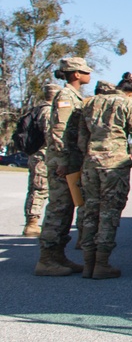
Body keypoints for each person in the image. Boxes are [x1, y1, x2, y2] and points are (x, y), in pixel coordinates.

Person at [77, 73, 132, 279]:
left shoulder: (90, 102)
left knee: (91, 210)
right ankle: (102, 263)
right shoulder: (127, 104)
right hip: (114, 166)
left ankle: (88, 263)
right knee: (109, 213)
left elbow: (81, 138)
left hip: (90, 164)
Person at [34, 56, 92, 276]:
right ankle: (46, 259)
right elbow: (59, 131)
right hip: (64, 163)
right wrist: (63, 162)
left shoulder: (75, 96)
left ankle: (58, 256)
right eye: (85, 71)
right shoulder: (66, 96)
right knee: (59, 208)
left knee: (67, 208)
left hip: (71, 161)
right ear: (76, 74)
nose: (89, 74)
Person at [21, 83, 61, 237]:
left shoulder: (36, 109)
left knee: (35, 187)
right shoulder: (47, 111)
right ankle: (32, 223)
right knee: (40, 188)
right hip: (43, 155)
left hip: (36, 155)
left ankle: (32, 220)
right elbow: (49, 135)